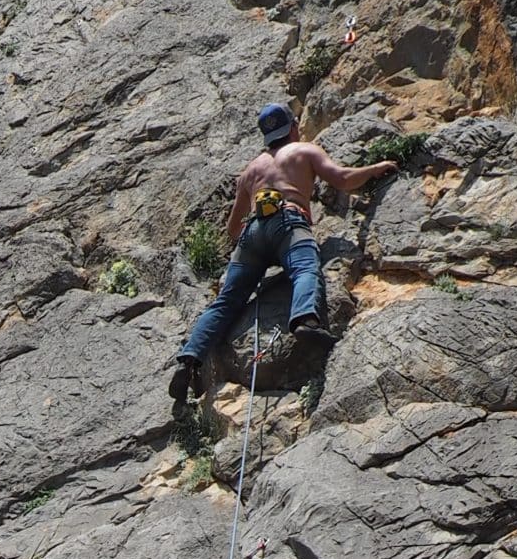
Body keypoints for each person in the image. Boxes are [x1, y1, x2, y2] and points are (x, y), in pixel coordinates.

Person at [168, 102, 397, 400]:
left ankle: (190, 358)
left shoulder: (251, 170)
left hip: (253, 232)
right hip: (289, 220)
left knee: (226, 301)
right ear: (292, 127)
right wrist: (377, 168)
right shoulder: (303, 150)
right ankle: (304, 320)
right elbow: (341, 179)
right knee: (304, 269)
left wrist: (255, 251)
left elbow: (232, 227)